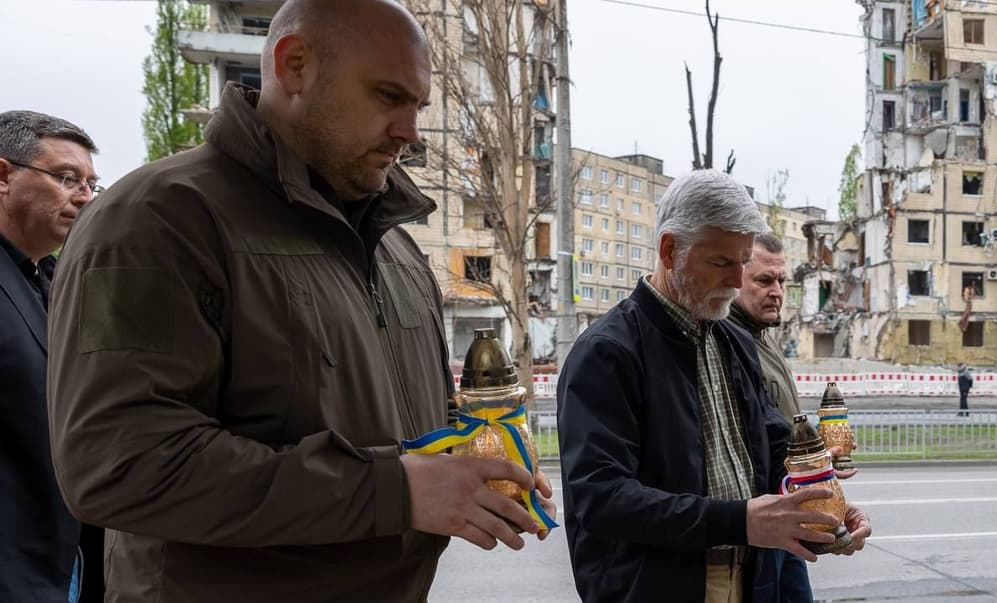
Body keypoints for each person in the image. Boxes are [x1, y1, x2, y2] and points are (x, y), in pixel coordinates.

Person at [47, 1, 552, 602]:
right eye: (388, 96)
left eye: (418, 107)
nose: (411, 132)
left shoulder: (395, 246)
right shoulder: (155, 221)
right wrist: (397, 491)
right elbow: (121, 465)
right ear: (294, 66)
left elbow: (406, 424)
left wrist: (479, 461)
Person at [557, 170, 871, 603]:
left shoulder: (734, 342)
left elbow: (771, 448)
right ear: (670, 251)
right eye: (722, 263)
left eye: (743, 261)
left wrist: (820, 504)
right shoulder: (607, 352)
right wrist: (741, 521)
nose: (737, 279)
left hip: (750, 584)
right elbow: (601, 498)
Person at [0, 110, 104, 603]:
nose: (84, 197)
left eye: (90, 184)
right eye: (66, 178)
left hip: (68, 559)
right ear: (3, 176)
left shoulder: (59, 282)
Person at [727, 232, 859, 603]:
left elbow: (777, 425)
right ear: (734, 278)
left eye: (782, 281)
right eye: (764, 280)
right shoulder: (729, 344)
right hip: (763, 516)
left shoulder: (765, 337)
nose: (777, 292)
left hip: (790, 504)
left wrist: (818, 460)